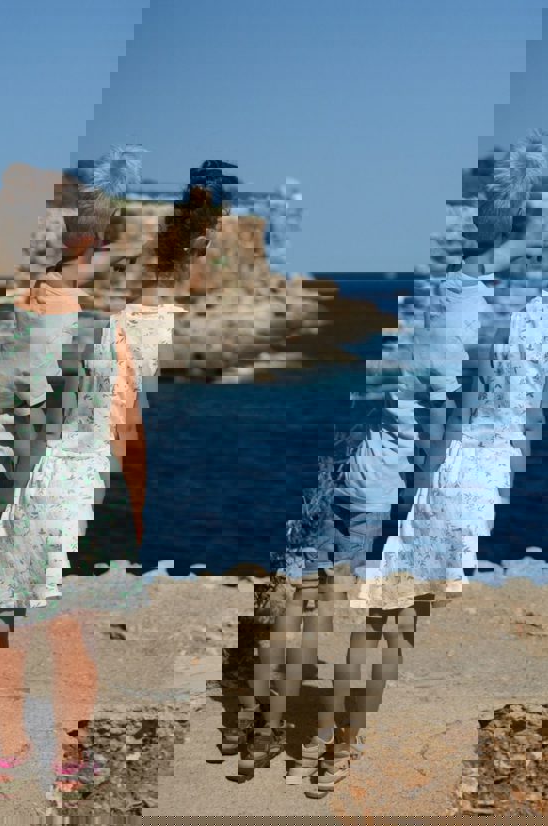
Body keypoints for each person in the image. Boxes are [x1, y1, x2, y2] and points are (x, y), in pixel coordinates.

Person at [228, 127, 548, 798]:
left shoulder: (451, 293)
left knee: (304, 602)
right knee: (388, 630)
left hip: (374, 475)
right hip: (461, 501)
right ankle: (331, 756)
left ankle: (255, 739)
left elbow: (406, 405)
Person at [0, 171, 226, 801]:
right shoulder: (103, 335)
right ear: (87, 252)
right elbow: (125, 429)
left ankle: (11, 749)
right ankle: (68, 757)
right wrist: (139, 506)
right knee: (69, 636)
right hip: (75, 509)